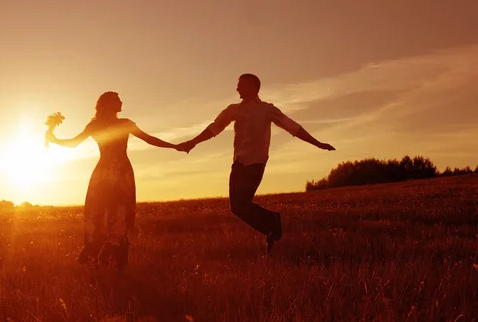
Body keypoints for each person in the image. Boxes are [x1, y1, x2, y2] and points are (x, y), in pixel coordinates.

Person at [177, 74, 335, 253]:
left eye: (240, 85)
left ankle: (271, 225)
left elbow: (293, 127)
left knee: (242, 204)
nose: (237, 89)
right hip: (238, 163)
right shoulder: (232, 109)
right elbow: (215, 128)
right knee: (236, 208)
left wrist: (317, 143)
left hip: (255, 163)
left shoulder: (267, 110)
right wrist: (193, 142)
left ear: (252, 86)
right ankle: (271, 223)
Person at [46, 91, 183, 270]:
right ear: (108, 104)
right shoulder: (108, 124)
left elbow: (149, 139)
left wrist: (174, 146)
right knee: (103, 214)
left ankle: (110, 260)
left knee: (118, 214)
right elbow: (73, 143)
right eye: (117, 100)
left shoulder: (117, 124)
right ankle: (100, 257)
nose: (121, 102)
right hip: (114, 173)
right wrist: (54, 138)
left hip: (113, 173)